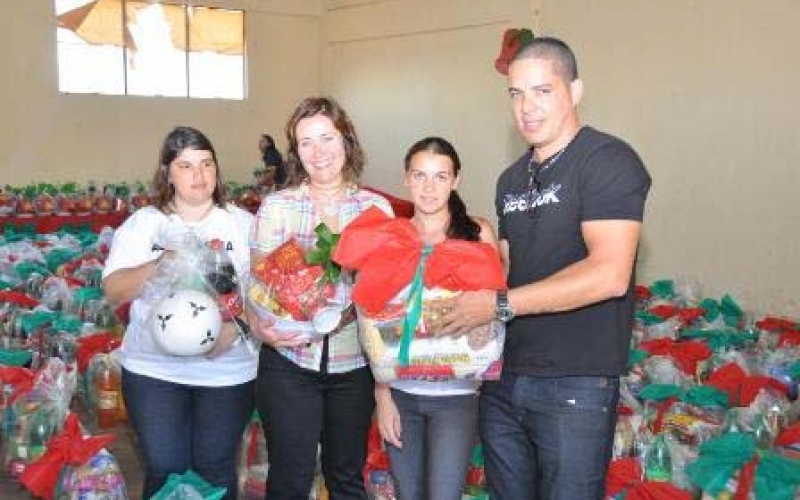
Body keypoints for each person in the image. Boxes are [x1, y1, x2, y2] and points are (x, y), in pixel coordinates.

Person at [441, 33, 652, 500]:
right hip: (505, 377)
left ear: (575, 92)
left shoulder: (607, 161)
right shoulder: (511, 178)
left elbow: (610, 273)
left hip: (573, 382)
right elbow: (509, 271)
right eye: (516, 94)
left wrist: (496, 304)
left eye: (542, 91)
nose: (526, 108)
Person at [250, 97, 393, 500]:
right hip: (289, 362)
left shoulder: (373, 208)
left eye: (327, 138)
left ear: (346, 140)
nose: (319, 152)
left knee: (346, 475)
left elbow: (383, 294)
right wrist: (260, 321)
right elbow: (258, 286)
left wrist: (346, 311)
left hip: (353, 365)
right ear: (295, 153)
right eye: (306, 143)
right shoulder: (278, 207)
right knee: (290, 476)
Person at [102, 126, 256, 499]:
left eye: (206, 164)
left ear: (217, 170)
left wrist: (235, 330)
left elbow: (265, 295)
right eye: (185, 165)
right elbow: (113, 290)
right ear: (167, 172)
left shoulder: (242, 224)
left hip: (226, 371)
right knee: (165, 466)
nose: (198, 175)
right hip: (154, 370)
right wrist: (161, 264)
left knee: (216, 467)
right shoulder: (145, 224)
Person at [374, 136, 500, 500]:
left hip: (456, 397)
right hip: (401, 395)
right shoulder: (390, 238)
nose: (429, 187)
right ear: (406, 179)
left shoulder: (476, 234)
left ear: (456, 180)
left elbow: (493, 314)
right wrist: (383, 397)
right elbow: (375, 320)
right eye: (420, 175)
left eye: (441, 176)